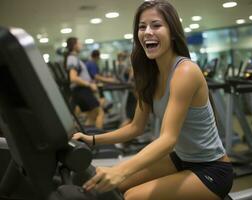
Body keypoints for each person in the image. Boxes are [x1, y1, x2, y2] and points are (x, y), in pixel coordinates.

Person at [73, 0, 234, 199]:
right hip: (180, 158)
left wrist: (121, 170)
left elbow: (168, 139)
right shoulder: (148, 75)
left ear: (173, 32)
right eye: (142, 27)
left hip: (212, 169)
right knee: (115, 187)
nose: (147, 31)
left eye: (156, 25)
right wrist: (93, 140)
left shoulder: (185, 71)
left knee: (132, 196)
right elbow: (135, 127)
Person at [64, 37, 104, 129]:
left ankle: (87, 138)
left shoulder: (74, 58)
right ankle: (97, 140)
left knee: (91, 116)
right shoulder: (72, 58)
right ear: (74, 46)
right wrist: (89, 84)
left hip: (82, 90)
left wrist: (91, 83)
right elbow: (73, 78)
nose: (81, 45)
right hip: (81, 90)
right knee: (99, 112)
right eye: (79, 43)